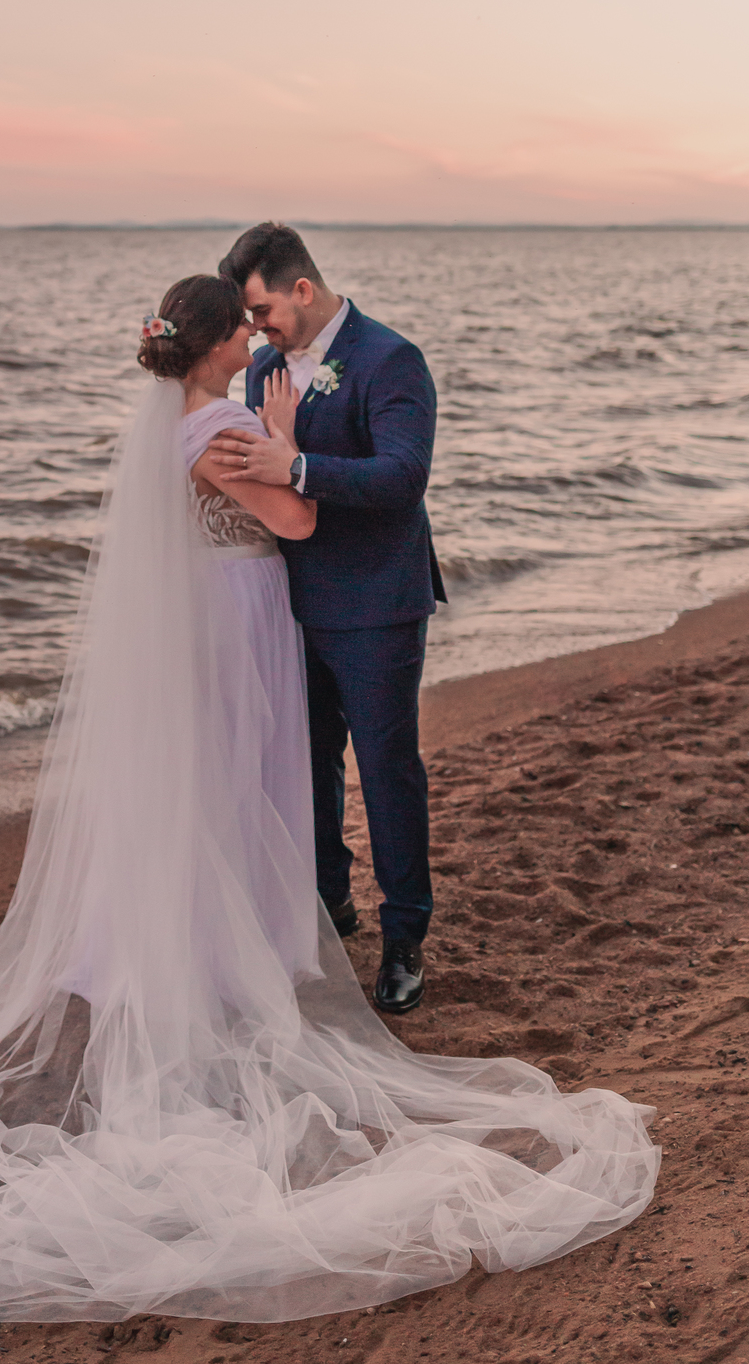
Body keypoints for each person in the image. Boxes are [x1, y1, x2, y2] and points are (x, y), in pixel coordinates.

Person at [0, 274, 658, 1327]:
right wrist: (279, 436)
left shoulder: (168, 425)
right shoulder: (228, 420)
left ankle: (178, 942)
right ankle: (241, 955)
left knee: (209, 790)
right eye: (247, 326)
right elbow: (299, 518)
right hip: (238, 626)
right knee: (244, 787)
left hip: (206, 621)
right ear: (224, 340)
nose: (259, 336)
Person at [214, 224, 444, 1015]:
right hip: (290, 603)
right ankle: (327, 905)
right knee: (304, 767)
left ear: (301, 290)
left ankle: (406, 935)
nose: (256, 330)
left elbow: (403, 477)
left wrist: (300, 465)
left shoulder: (390, 359)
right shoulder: (267, 370)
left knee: (386, 773)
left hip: (378, 602)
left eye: (262, 310)